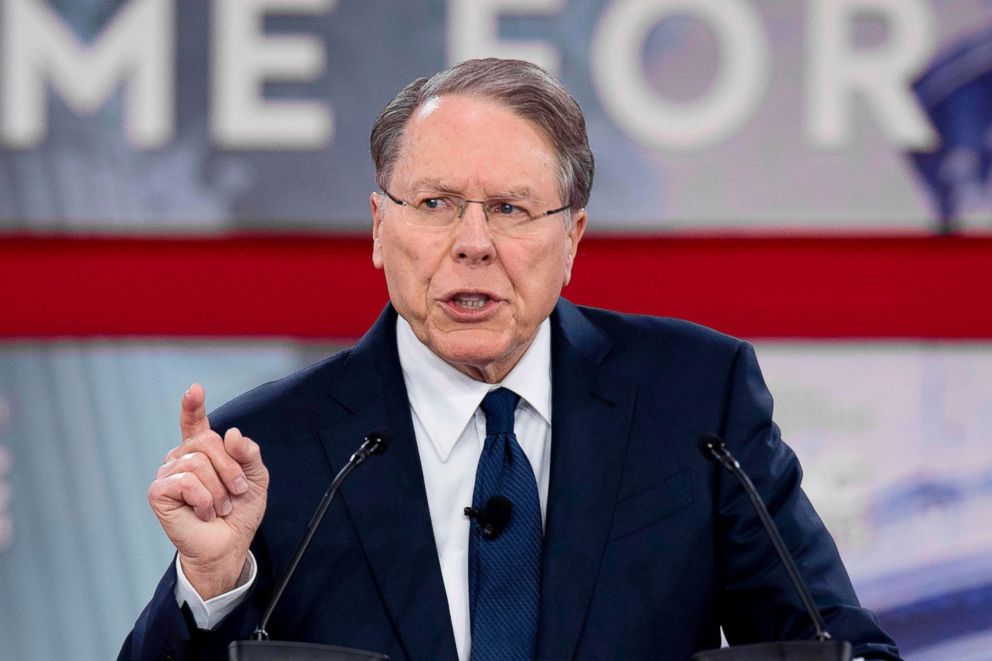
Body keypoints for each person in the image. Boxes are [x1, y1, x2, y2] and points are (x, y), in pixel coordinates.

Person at [119, 58, 900, 660]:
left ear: (573, 239)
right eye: (433, 204)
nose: (472, 242)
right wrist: (213, 587)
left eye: (511, 209)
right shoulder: (270, 447)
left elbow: (838, 642)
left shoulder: (695, 402)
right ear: (377, 228)